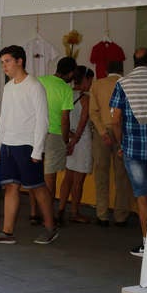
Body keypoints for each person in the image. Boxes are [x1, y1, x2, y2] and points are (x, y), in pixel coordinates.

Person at [0, 45, 58, 245]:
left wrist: (37, 150)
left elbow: (43, 120)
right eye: (2, 63)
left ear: (19, 61)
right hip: (8, 144)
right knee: (10, 187)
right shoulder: (8, 87)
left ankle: (50, 228)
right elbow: (4, 118)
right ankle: (7, 232)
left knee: (37, 187)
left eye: (7, 61)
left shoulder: (34, 86)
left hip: (27, 145)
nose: (4, 66)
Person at [110, 48, 147, 258]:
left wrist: (121, 143)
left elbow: (115, 119)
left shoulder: (124, 84)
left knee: (142, 197)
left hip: (133, 147)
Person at [88, 60, 133, 227]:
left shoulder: (97, 85)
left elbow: (93, 112)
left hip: (103, 133)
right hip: (123, 131)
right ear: (122, 70)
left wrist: (101, 131)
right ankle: (121, 215)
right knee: (122, 176)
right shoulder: (128, 84)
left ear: (106, 70)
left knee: (101, 174)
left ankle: (102, 214)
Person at [32, 57, 76, 224]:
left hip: (35, 132)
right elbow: (65, 118)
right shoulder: (66, 89)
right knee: (50, 178)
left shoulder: (40, 81)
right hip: (55, 134)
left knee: (34, 175)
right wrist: (65, 140)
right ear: (71, 73)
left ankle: (34, 212)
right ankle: (48, 215)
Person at [58, 66, 94, 224]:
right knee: (78, 180)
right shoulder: (85, 98)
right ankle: (74, 212)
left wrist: (69, 139)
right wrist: (74, 141)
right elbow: (83, 122)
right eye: (90, 81)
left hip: (67, 136)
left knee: (68, 178)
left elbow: (62, 117)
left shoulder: (66, 93)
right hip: (82, 141)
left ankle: (60, 209)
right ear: (85, 80)